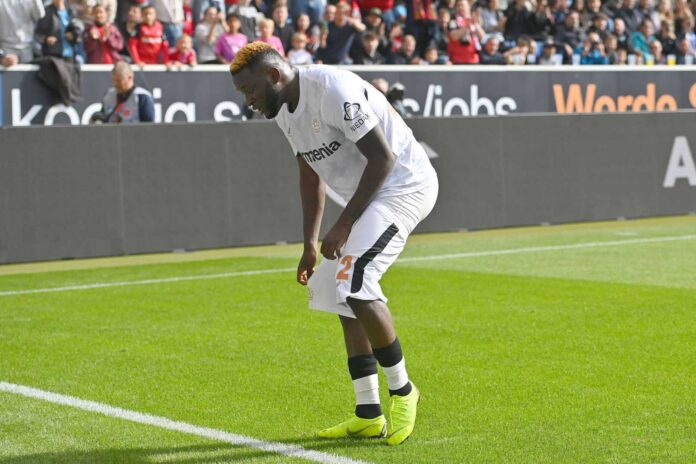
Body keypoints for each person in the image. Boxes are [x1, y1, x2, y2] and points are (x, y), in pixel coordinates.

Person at [230, 42, 437, 446]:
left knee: (355, 280)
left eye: (249, 90)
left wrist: (342, 225)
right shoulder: (283, 110)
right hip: (369, 196)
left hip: (403, 186)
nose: (248, 100)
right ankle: (368, 413)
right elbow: (310, 176)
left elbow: (382, 158)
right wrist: (310, 242)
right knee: (333, 289)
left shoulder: (332, 89)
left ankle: (404, 390)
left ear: (273, 76)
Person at [0, 0, 45, 67]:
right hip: (6, 48)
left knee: (27, 76)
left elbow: (40, 14)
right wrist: (1, 57)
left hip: (27, 48)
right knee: (9, 76)